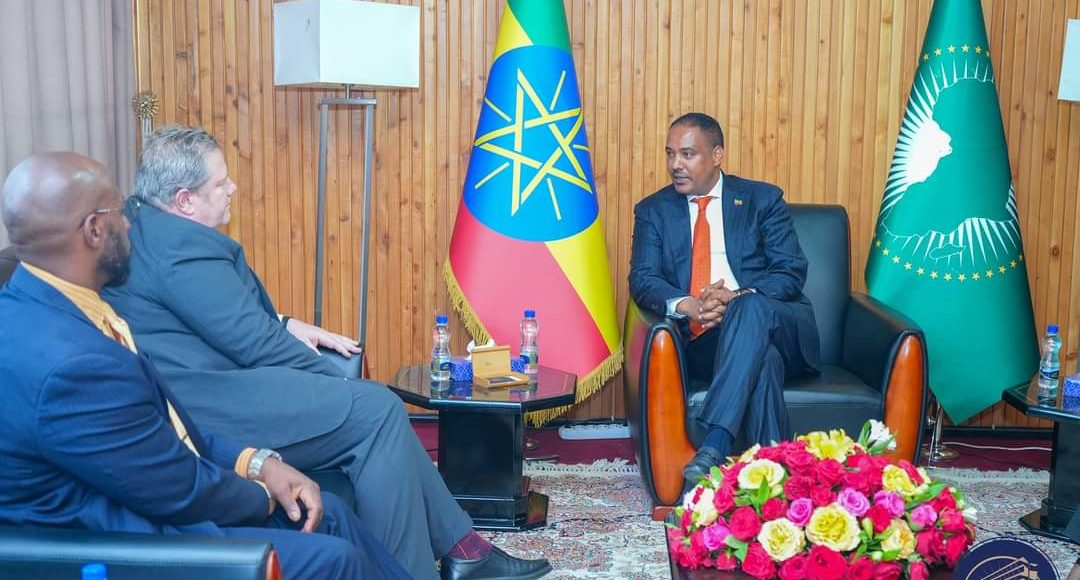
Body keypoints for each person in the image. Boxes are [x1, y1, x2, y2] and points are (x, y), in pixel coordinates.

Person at [102, 126, 550, 580]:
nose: (232, 187)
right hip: (210, 406)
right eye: (220, 183)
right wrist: (337, 382)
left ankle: (465, 550)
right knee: (374, 410)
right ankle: (426, 567)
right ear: (184, 200)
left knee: (377, 408)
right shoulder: (180, 247)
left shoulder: (145, 224)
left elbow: (205, 315)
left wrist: (285, 323)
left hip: (201, 387)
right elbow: (253, 341)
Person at [0, 152, 411, 580]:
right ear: (94, 230)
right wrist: (264, 495)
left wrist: (260, 463)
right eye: (120, 214)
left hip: (146, 507)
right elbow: (177, 490)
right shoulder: (73, 366)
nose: (129, 226)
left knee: (331, 513)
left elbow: (169, 430)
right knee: (336, 558)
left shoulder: (48, 304)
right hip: (129, 547)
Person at [628, 112, 820, 488]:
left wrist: (734, 299)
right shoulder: (653, 210)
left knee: (749, 308)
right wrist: (690, 306)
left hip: (779, 326)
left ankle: (715, 442)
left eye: (687, 154)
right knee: (763, 360)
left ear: (717, 155)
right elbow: (643, 278)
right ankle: (775, 483)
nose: (675, 165)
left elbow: (790, 271)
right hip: (707, 341)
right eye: (670, 154)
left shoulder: (762, 200)